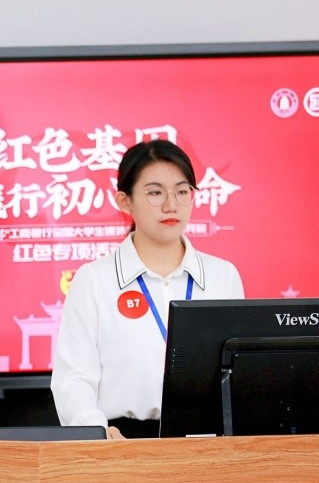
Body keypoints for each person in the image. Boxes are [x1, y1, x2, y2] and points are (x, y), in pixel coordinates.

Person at [51, 140, 244, 439]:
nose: (171, 205)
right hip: (122, 443)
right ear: (124, 201)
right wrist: (96, 433)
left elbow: (236, 374)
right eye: (155, 193)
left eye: (182, 191)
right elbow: (73, 379)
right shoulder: (94, 280)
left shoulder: (223, 276)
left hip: (206, 443)